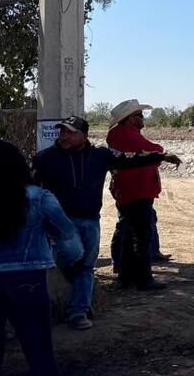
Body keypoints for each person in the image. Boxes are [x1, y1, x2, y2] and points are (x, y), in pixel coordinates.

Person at [32, 116, 179, 329]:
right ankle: (77, 291)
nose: (64, 136)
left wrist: (161, 156)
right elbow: (30, 188)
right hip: (61, 222)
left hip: (91, 219)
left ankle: (79, 312)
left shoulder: (100, 155)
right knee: (71, 256)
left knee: (86, 267)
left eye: (70, 132)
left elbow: (131, 158)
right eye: (62, 132)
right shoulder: (45, 158)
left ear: (84, 135)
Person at [0, 140, 95, 376]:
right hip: (28, 281)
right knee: (39, 354)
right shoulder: (38, 197)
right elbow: (69, 239)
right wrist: (68, 264)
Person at [106, 99, 171, 291]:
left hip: (128, 190)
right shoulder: (126, 135)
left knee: (128, 233)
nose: (143, 118)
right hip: (137, 191)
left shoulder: (119, 134)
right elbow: (155, 150)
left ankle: (126, 275)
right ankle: (143, 278)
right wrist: (159, 153)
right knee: (141, 236)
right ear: (131, 118)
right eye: (140, 115)